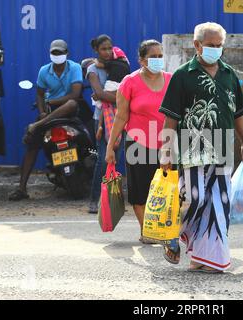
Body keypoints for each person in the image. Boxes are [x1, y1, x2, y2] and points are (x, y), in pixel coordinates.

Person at [159, 22, 243, 273]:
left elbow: (238, 114)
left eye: (219, 46)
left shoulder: (229, 74)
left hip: (223, 144)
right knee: (195, 197)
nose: (216, 50)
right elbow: (171, 118)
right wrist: (166, 149)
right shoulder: (182, 75)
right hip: (191, 144)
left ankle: (209, 258)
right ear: (197, 45)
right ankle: (176, 236)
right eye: (211, 45)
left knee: (219, 203)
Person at [105, 40, 173, 244]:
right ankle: (147, 231)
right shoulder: (129, 82)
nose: (158, 60)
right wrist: (110, 146)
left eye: (161, 56)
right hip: (138, 144)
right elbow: (121, 117)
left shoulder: (172, 80)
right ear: (142, 60)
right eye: (153, 57)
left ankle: (163, 228)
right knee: (140, 191)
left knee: (167, 191)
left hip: (167, 145)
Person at [9, 39, 83, 201]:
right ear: (50, 54)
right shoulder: (44, 71)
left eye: (60, 53)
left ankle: (38, 125)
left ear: (66, 54)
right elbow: (40, 94)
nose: (57, 55)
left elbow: (75, 96)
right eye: (54, 53)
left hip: (70, 111)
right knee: (32, 145)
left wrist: (50, 103)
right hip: (50, 113)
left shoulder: (75, 67)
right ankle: (21, 188)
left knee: (71, 104)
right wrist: (42, 111)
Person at [87, 35, 129, 213]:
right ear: (96, 50)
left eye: (109, 48)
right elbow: (99, 93)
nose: (107, 52)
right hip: (102, 119)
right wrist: (115, 97)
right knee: (104, 159)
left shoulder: (119, 64)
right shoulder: (92, 69)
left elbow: (124, 92)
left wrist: (107, 96)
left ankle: (113, 202)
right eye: (103, 49)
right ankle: (94, 200)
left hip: (121, 117)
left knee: (117, 160)